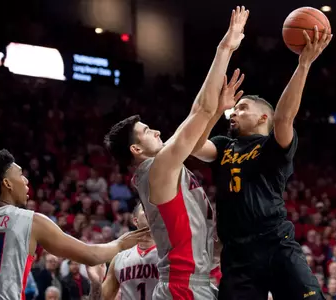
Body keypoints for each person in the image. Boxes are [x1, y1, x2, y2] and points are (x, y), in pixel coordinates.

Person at [104, 6, 249, 299]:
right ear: (136, 149)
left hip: (192, 282)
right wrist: (225, 48)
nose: (157, 131)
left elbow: (199, 126)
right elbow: (200, 109)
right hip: (183, 286)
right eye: (147, 131)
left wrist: (218, 110)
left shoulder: (162, 165)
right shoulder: (158, 168)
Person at [192, 26, 333, 299]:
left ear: (262, 118)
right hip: (237, 254)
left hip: (275, 243)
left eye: (243, 108)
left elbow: (283, 118)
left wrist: (303, 64)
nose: (235, 111)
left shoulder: (273, 146)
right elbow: (194, 144)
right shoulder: (223, 145)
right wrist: (217, 109)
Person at [0, 149, 149, 300]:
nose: (26, 181)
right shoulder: (32, 221)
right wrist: (121, 244)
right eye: (21, 175)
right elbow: (90, 255)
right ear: (7, 183)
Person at [87, 203, 159, 300]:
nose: (151, 211)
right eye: (146, 208)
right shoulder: (119, 258)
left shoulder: (169, 255)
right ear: (135, 221)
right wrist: (95, 283)